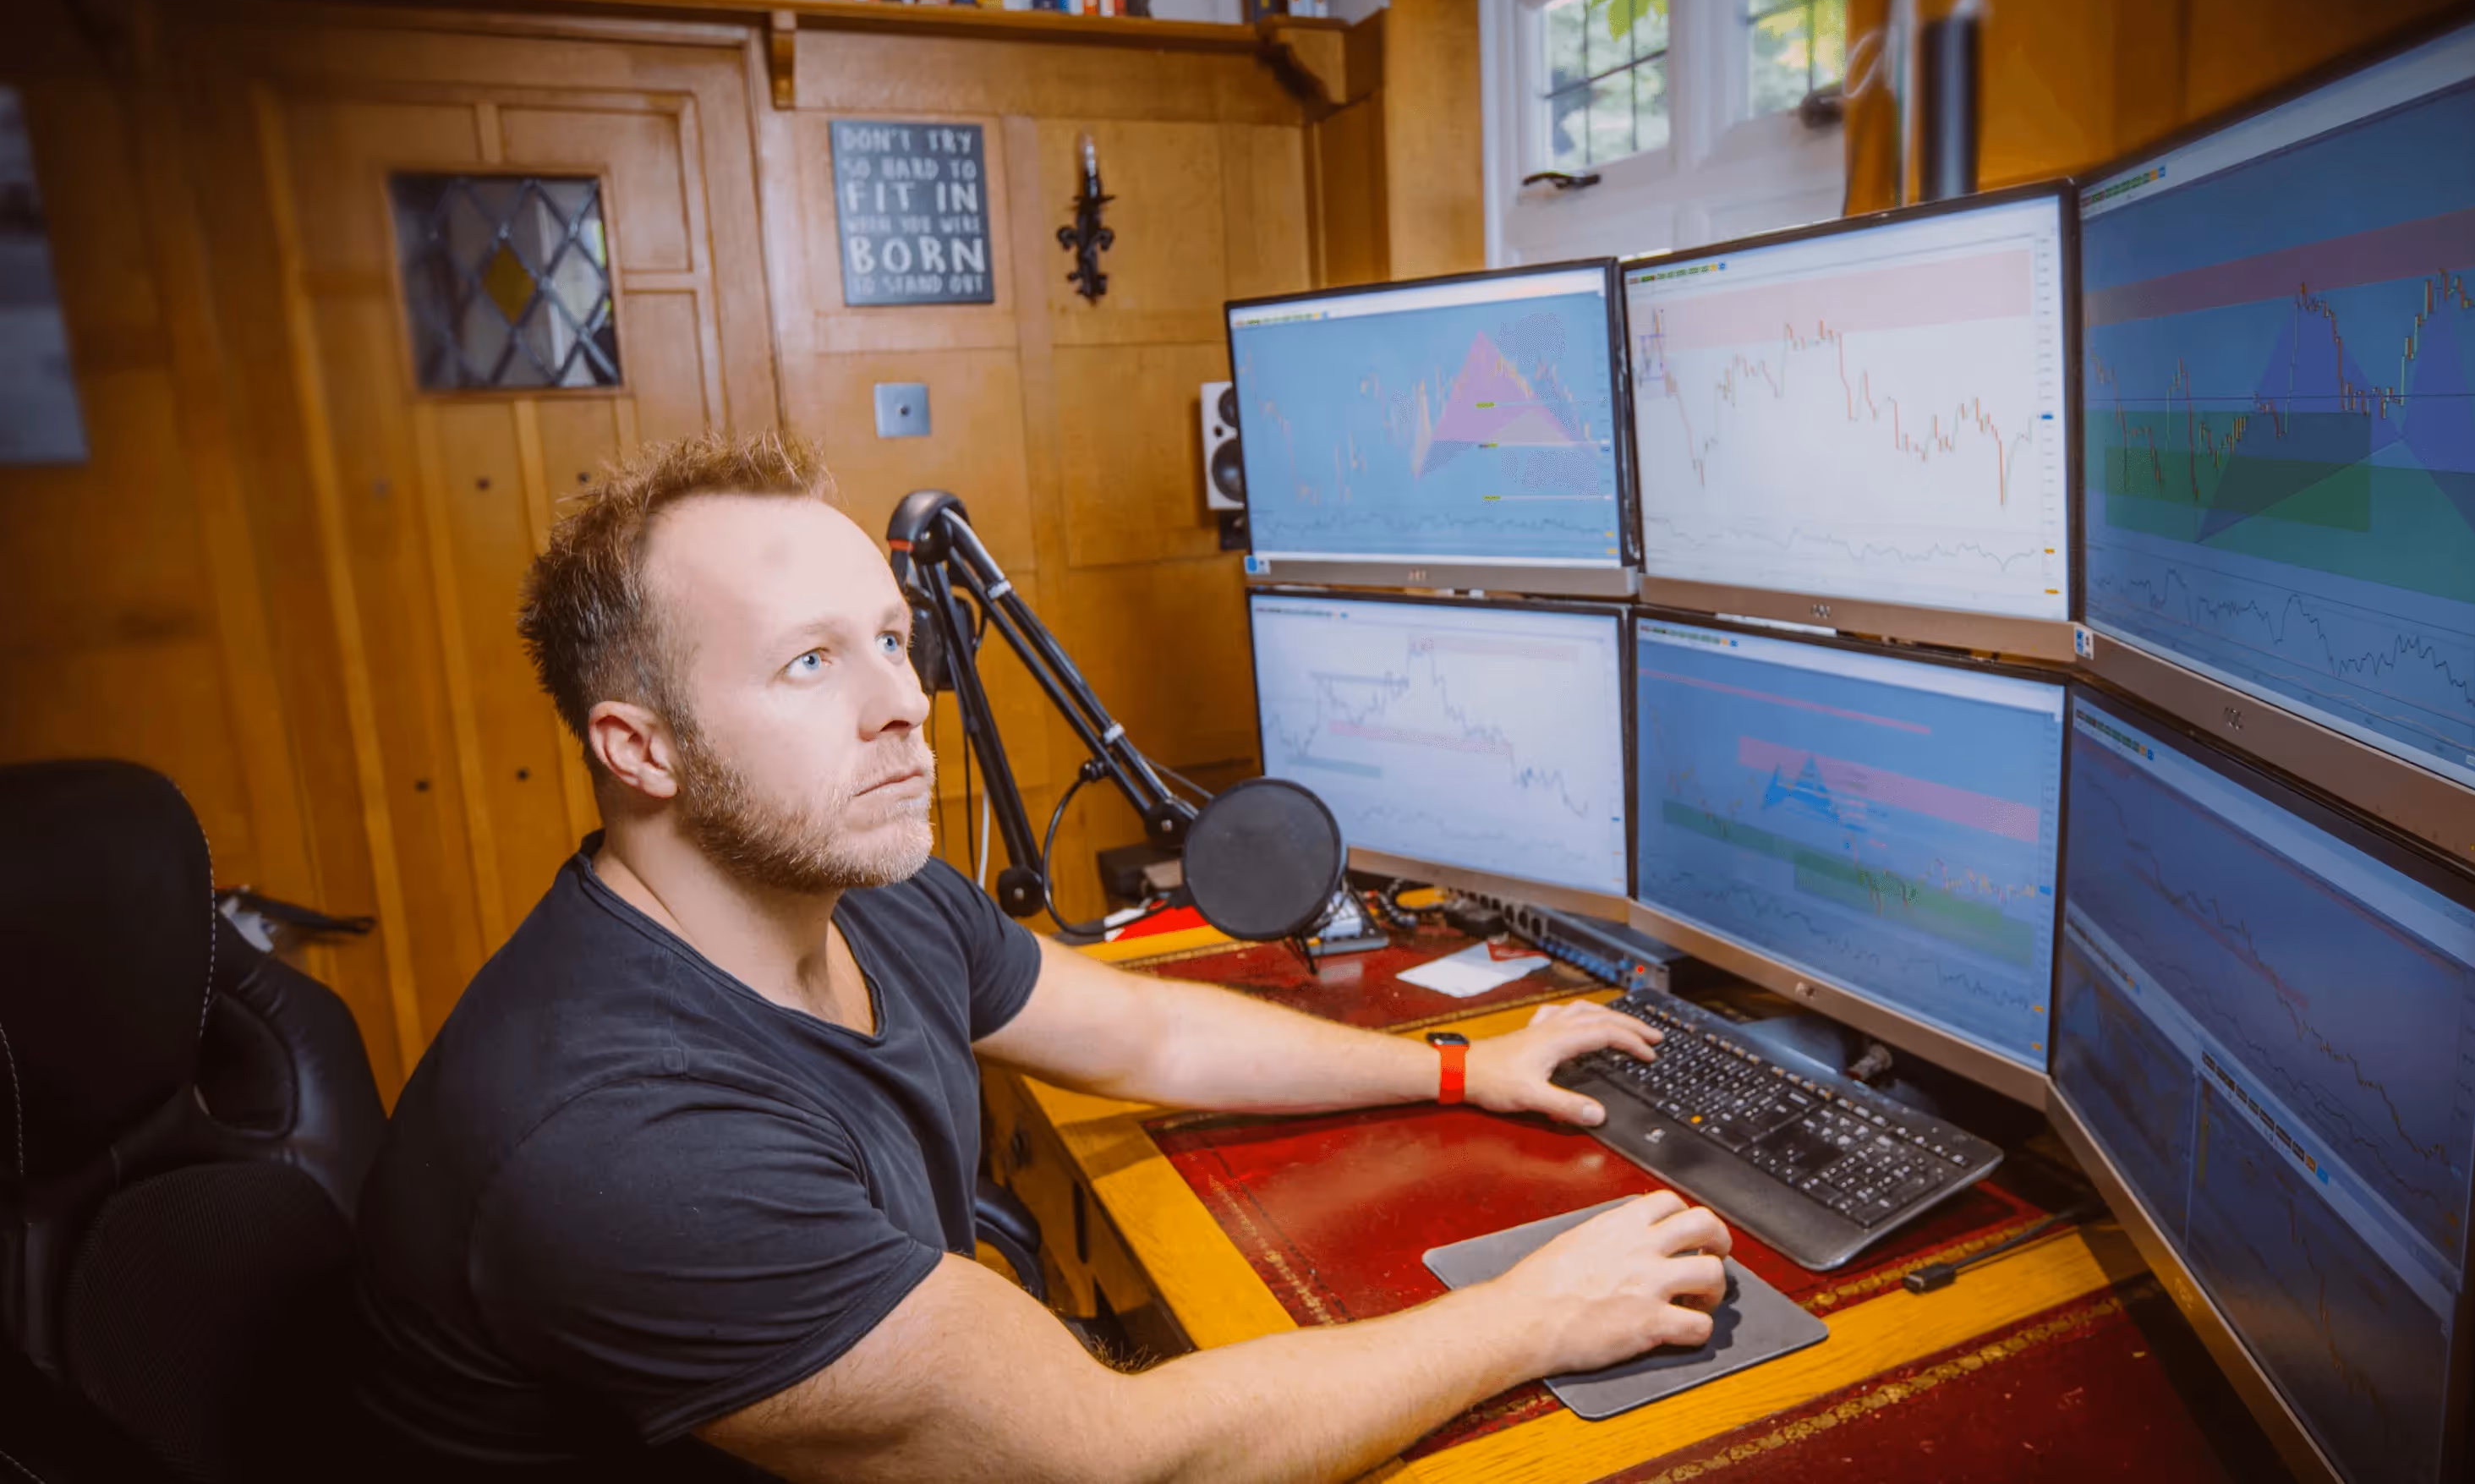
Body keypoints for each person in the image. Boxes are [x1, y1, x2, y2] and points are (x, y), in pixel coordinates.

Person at [352, 432, 1732, 1482]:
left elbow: (1153, 1038)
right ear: (638, 746)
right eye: (810, 665)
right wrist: (1531, 1316)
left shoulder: (857, 886)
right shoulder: (624, 1144)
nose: (904, 704)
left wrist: (1459, 1066)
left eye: (893, 640)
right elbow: (1119, 1456)